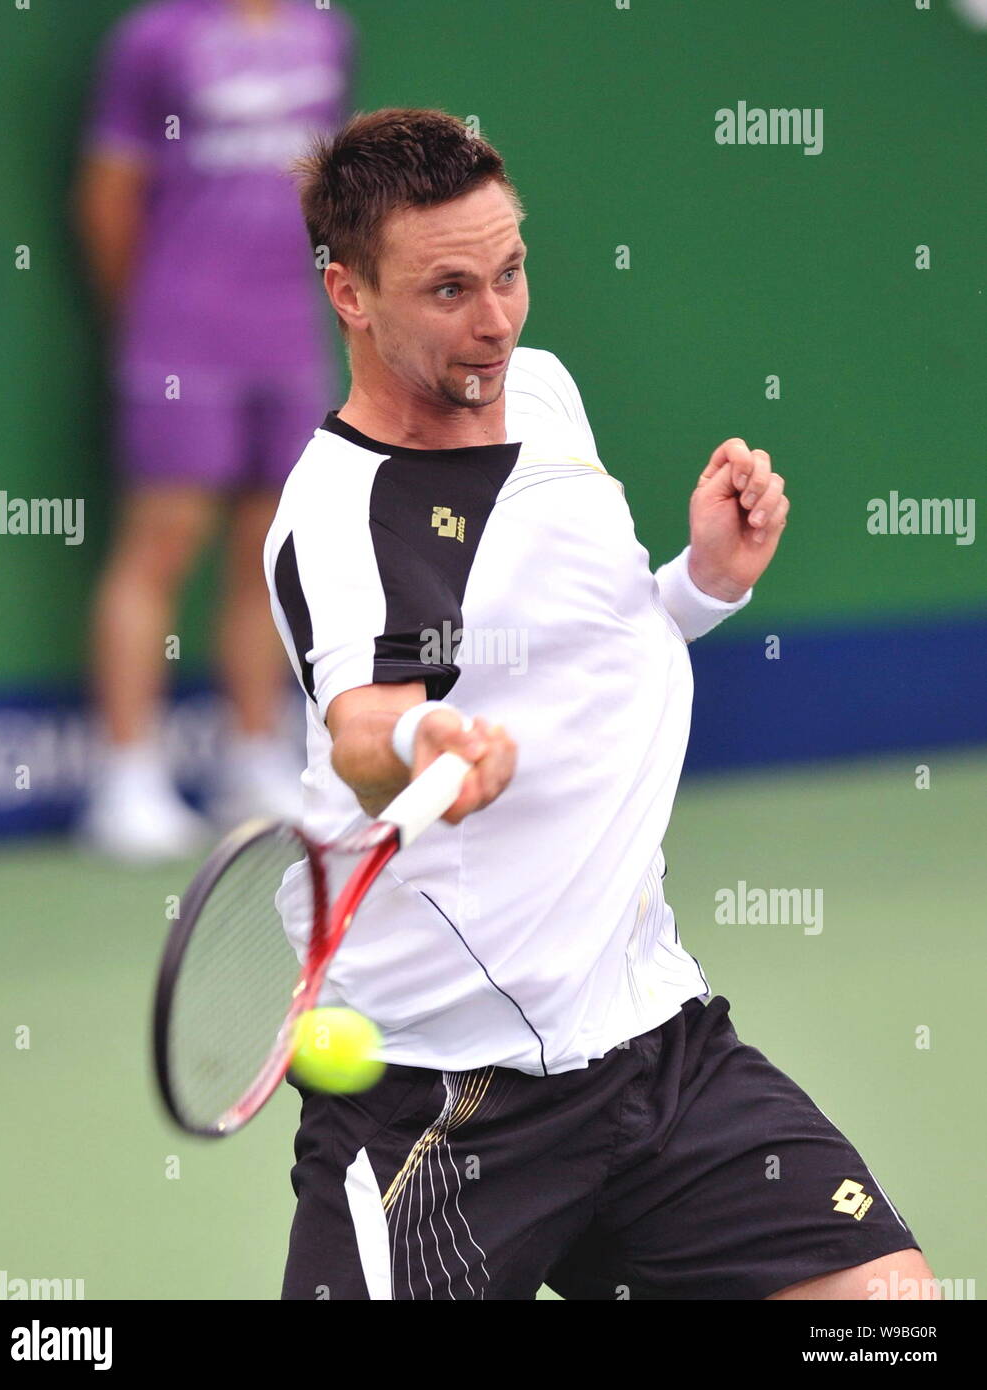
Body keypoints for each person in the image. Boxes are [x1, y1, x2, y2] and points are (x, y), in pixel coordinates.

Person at [263, 108, 936, 1301]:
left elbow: (593, 639)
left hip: (649, 1036)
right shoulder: (341, 520)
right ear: (348, 295)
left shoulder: (545, 391)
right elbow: (364, 724)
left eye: (513, 269)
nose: (498, 319)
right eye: (450, 288)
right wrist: (429, 738)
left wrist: (701, 583)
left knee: (882, 1307)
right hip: (443, 1098)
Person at [74, 0, 355, 860]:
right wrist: (158, 317)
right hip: (181, 332)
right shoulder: (153, 37)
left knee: (272, 550)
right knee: (165, 538)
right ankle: (125, 775)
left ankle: (255, 753)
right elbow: (108, 197)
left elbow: (327, 191)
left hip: (290, 333)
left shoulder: (325, 29)